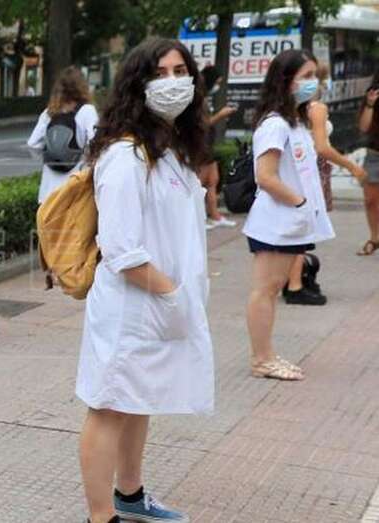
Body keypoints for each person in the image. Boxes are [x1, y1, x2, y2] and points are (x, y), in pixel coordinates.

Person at [77, 37, 214, 523]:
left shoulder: (169, 149)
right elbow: (120, 249)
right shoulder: (124, 156)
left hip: (158, 305)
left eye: (182, 71)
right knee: (110, 404)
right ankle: (101, 516)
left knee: (138, 402)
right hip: (133, 306)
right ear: (138, 83)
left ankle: (129, 496)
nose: (174, 83)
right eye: (161, 73)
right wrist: (172, 292)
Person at [243, 49, 335, 381]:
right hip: (275, 223)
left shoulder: (293, 122)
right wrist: (298, 203)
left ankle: (266, 353)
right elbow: (265, 176)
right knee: (265, 290)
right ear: (286, 81)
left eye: (315, 77)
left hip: (289, 222)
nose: (314, 84)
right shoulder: (274, 124)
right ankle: (261, 359)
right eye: (307, 77)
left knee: (272, 288)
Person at [283, 62, 366, 305]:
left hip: (302, 168)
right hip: (311, 169)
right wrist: (351, 166)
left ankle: (293, 279)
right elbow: (322, 147)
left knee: (301, 228)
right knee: (304, 228)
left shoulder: (294, 109)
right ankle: (295, 284)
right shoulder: (315, 108)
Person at [27, 65, 99, 203]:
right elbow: (97, 145)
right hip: (74, 194)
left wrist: (50, 155)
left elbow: (33, 144)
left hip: (48, 193)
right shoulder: (87, 111)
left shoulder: (49, 112)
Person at [199, 65, 237, 230]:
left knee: (213, 180)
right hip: (200, 144)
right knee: (200, 182)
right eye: (217, 83)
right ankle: (200, 217)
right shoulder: (197, 99)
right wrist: (221, 115)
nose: (217, 87)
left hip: (208, 144)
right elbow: (201, 124)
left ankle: (215, 215)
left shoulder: (205, 98)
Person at [356, 72, 379, 255]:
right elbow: (364, 127)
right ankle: (374, 238)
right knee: (370, 200)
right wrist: (370, 104)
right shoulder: (373, 95)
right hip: (375, 154)